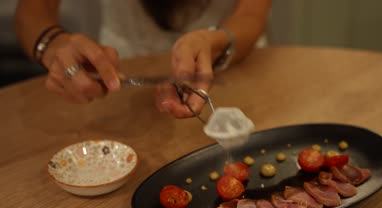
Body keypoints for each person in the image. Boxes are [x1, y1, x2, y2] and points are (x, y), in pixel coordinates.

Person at [14, 0, 271, 119]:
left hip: (235, 68)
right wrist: (52, 44)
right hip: (122, 81)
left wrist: (216, 43)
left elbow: (250, 13)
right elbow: (32, 12)